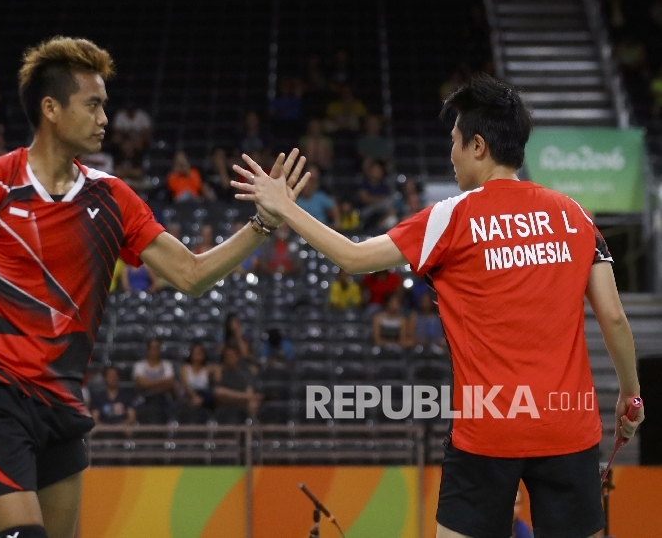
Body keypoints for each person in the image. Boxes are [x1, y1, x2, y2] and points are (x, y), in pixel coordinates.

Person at [0, 35, 309, 538]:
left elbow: (191, 275)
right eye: (92, 105)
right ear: (51, 108)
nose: (104, 119)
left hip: (61, 400)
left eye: (103, 106)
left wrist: (262, 224)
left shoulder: (112, 198)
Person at [232, 72, 644, 538]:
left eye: (454, 140)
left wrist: (284, 207)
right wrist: (630, 397)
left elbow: (353, 257)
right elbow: (613, 316)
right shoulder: (575, 214)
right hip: (568, 425)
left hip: (487, 432)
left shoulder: (452, 216)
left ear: (478, 146)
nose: (450, 154)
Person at [214, 345, 261, 423]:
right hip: (225, 403)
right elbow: (218, 392)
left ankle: (251, 431)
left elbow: (249, 389)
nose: (230, 358)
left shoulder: (245, 373)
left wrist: (247, 397)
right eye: (227, 356)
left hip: (241, 403)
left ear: (237, 356)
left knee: (252, 403)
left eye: (232, 355)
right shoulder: (220, 372)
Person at [133, 339, 175, 424]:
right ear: (148, 350)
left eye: (157, 348)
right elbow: (141, 384)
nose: (155, 350)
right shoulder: (139, 365)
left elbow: (170, 383)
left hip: (163, 400)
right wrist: (162, 383)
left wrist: (148, 383)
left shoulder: (167, 364)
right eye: (153, 348)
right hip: (145, 400)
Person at [180, 343, 216, 422]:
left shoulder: (208, 369)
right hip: (189, 394)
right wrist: (194, 396)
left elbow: (221, 368)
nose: (198, 354)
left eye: (200, 352)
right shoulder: (185, 368)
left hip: (204, 395)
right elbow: (185, 385)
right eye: (196, 352)